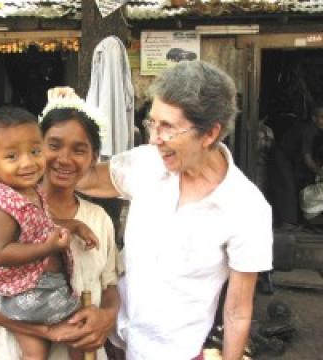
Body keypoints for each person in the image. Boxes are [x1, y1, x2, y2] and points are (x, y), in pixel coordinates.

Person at [74, 61, 273, 360]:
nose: (154, 138)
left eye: (167, 127)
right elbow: (84, 178)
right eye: (152, 122)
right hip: (112, 339)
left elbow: (237, 312)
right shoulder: (147, 164)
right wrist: (58, 123)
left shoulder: (246, 208)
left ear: (209, 134)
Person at [0, 94, 121, 360]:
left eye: (79, 150)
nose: (64, 159)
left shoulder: (98, 219)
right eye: (53, 145)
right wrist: (46, 331)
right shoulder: (6, 212)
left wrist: (106, 317)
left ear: (93, 158)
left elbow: (110, 287)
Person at [269, 106, 323, 227]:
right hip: (282, 156)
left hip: (291, 159)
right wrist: (321, 173)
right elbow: (307, 159)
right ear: (313, 118)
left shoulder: (318, 132)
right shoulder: (308, 130)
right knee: (287, 186)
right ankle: (287, 222)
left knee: (294, 186)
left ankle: (294, 220)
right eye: (322, 118)